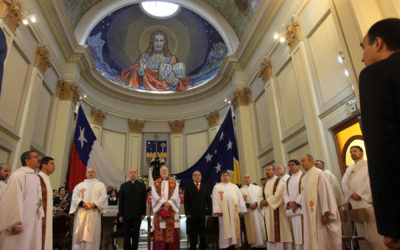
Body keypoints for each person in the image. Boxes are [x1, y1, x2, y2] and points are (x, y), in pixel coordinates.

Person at [358, 18, 400, 249]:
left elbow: (383, 150)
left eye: (364, 47)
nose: (363, 57)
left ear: (379, 43)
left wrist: (391, 224)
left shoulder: (375, 75)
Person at [341, 146, 387, 249]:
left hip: (366, 203)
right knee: (362, 235)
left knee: (373, 233)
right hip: (355, 204)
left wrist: (360, 194)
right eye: (351, 152)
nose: (352, 153)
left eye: (355, 151)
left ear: (361, 153)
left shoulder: (368, 165)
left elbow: (369, 181)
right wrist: (350, 194)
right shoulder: (349, 169)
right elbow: (344, 183)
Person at [120, 30, 191, 91]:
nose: (158, 44)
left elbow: (181, 80)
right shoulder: (144, 58)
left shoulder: (172, 59)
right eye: (156, 40)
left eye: (161, 41)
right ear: (152, 42)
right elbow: (133, 77)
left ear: (165, 43)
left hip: (167, 92)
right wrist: (140, 71)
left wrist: (174, 84)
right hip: (146, 90)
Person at [0, 150, 43, 250]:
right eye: (36, 157)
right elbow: (12, 199)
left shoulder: (35, 177)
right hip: (21, 223)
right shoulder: (19, 175)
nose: (39, 159)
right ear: (27, 161)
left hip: (32, 222)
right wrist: (15, 223)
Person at [299, 154, 341, 250]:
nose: (302, 164)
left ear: (311, 161)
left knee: (323, 238)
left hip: (320, 212)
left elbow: (325, 193)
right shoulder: (304, 178)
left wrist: (325, 212)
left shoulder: (319, 174)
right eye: (301, 161)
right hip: (310, 213)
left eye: (303, 161)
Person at [70, 167, 107, 250]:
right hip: (81, 214)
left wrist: (94, 205)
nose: (90, 173)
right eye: (88, 172)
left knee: (93, 235)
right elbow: (74, 198)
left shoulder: (100, 185)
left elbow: (103, 198)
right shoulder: (79, 186)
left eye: (92, 172)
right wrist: (82, 204)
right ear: (86, 173)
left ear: (94, 173)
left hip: (93, 213)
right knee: (79, 235)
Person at [259, 165, 293, 250]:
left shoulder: (279, 181)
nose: (267, 172)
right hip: (268, 211)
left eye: (269, 170)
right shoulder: (265, 183)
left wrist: (268, 201)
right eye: (266, 170)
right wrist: (261, 201)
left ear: (274, 171)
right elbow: (260, 195)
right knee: (271, 233)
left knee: (280, 233)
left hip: (277, 210)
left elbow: (279, 195)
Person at [212, 171, 247, 249]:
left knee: (235, 229)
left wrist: (241, 209)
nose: (225, 177)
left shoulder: (234, 187)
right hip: (223, 213)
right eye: (223, 175)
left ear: (229, 177)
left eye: (227, 175)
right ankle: (226, 246)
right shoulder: (217, 187)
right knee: (225, 229)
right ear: (221, 177)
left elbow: (240, 199)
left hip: (234, 212)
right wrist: (218, 210)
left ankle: (234, 245)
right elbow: (215, 199)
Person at [151, 165, 181, 249]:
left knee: (171, 232)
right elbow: (154, 195)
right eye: (162, 170)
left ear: (168, 172)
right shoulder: (155, 183)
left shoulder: (174, 182)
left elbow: (176, 195)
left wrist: (170, 203)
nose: (164, 171)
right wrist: (163, 203)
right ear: (160, 173)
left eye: (165, 170)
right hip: (159, 211)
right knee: (160, 232)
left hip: (171, 209)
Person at [118, 168, 147, 250]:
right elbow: (121, 202)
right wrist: (121, 215)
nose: (133, 174)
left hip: (137, 215)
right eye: (131, 172)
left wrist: (143, 213)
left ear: (137, 174)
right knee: (126, 235)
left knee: (136, 235)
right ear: (129, 174)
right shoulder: (124, 186)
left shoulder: (141, 185)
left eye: (134, 172)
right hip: (126, 215)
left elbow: (143, 200)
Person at [184, 170, 212, 250]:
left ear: (201, 177)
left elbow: (209, 201)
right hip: (192, 216)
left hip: (203, 215)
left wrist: (209, 212)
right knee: (193, 235)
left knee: (203, 234)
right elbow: (186, 202)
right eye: (195, 175)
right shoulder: (188, 187)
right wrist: (187, 213)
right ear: (192, 177)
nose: (197, 176)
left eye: (198, 175)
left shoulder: (205, 187)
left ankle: (202, 247)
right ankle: (193, 248)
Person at [240, 173, 266, 248]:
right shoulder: (241, 190)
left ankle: (263, 244)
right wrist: (249, 205)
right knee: (251, 229)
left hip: (258, 210)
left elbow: (261, 197)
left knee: (261, 228)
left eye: (248, 177)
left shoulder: (257, 188)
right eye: (245, 178)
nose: (247, 179)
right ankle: (254, 245)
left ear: (251, 179)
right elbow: (240, 201)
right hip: (249, 212)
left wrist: (256, 204)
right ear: (243, 180)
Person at [283, 159, 304, 250]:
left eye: (292, 165)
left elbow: (304, 190)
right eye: (289, 165)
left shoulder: (303, 176)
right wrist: (289, 203)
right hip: (293, 210)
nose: (290, 167)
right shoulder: (288, 179)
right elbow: (285, 194)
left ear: (298, 166)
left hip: (302, 209)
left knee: (304, 232)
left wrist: (297, 202)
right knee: (296, 233)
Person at [38, 156, 56, 250]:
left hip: (47, 216)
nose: (54, 166)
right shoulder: (38, 178)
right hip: (39, 217)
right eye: (52, 163)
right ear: (44, 165)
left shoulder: (46, 178)